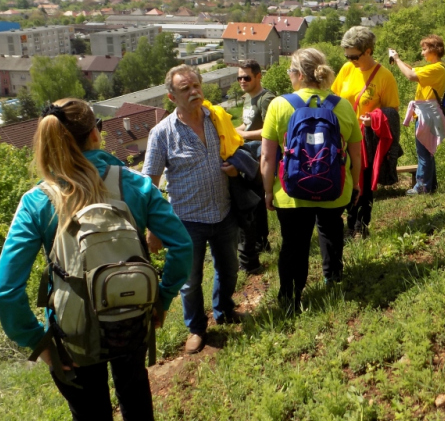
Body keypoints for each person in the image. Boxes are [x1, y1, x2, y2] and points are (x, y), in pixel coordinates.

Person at [0, 99, 193, 421]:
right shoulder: (135, 184)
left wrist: (37, 341)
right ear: (96, 135)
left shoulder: (38, 201)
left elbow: (4, 289)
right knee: (135, 394)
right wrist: (162, 298)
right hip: (130, 316)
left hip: (72, 331)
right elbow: (182, 246)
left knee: (89, 411)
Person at [142, 65, 243, 355]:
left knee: (229, 269)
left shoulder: (217, 119)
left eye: (196, 85)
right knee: (190, 281)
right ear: (172, 97)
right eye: (185, 88)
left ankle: (224, 310)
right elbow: (149, 184)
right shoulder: (161, 133)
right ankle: (197, 328)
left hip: (224, 211)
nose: (194, 91)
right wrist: (154, 228)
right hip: (186, 221)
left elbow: (233, 148)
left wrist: (237, 167)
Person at [261, 48, 362, 312]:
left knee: (294, 244)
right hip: (335, 186)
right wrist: (356, 183)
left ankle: (290, 297)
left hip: (291, 190)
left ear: (297, 74)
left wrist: (268, 192)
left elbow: (267, 156)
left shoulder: (279, 105)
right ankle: (333, 278)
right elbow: (355, 152)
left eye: (289, 73)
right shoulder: (342, 105)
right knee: (331, 229)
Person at [332, 26, 399, 238]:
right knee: (345, 179)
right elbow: (333, 97)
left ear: (368, 51)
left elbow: (392, 113)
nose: (350, 60)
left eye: (354, 56)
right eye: (347, 55)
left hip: (366, 139)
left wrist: (375, 119)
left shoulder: (385, 76)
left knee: (364, 183)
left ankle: (360, 225)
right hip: (343, 137)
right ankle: (347, 223)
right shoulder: (346, 69)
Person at [388, 34, 445, 195]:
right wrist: (397, 59)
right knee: (427, 151)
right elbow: (413, 70)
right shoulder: (432, 68)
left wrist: (398, 59)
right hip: (427, 112)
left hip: (426, 114)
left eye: (424, 49)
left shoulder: (436, 69)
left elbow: (410, 76)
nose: (422, 53)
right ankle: (430, 185)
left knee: (423, 152)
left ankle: (422, 187)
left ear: (434, 50)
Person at [235, 59, 276, 270]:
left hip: (261, 158)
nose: (242, 81)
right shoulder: (248, 98)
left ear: (259, 76)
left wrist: (242, 134)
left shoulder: (266, 99)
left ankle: (262, 242)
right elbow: (249, 123)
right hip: (249, 157)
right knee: (254, 201)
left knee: (257, 201)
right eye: (239, 77)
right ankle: (260, 242)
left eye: (247, 77)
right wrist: (234, 130)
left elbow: (269, 131)